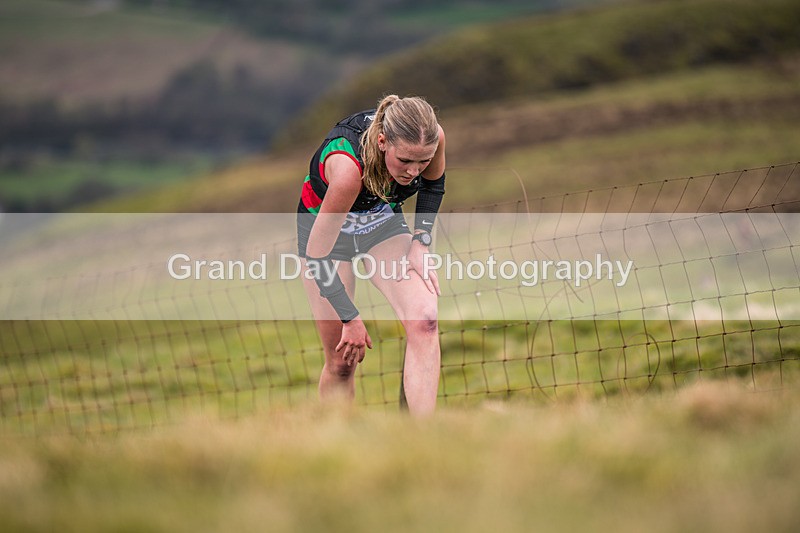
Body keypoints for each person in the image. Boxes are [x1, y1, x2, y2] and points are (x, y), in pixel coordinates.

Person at [296, 94, 446, 415]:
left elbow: (434, 185)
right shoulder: (350, 169)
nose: (413, 171)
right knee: (341, 362)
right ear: (382, 142)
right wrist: (349, 318)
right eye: (405, 161)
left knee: (425, 320)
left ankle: (421, 441)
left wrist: (420, 241)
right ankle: (337, 447)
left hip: (380, 225)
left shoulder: (430, 139)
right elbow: (316, 256)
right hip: (325, 241)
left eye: (422, 161)